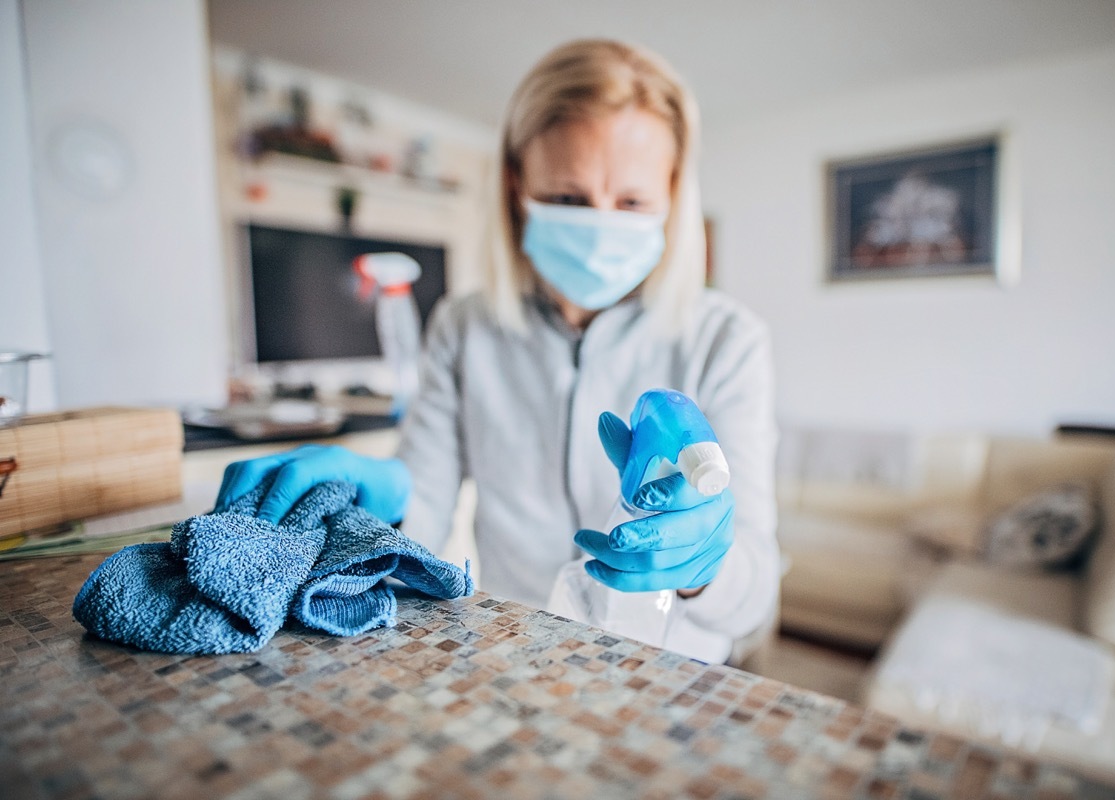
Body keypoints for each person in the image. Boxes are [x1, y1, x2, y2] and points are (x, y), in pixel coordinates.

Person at [215, 39, 779, 664]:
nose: (599, 226)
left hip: (673, 673)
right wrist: (382, 500)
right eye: (568, 198)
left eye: (632, 203)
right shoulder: (464, 327)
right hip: (519, 655)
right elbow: (425, 508)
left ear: (673, 196)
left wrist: (705, 566)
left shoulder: (726, 341)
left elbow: (754, 599)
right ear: (517, 185)